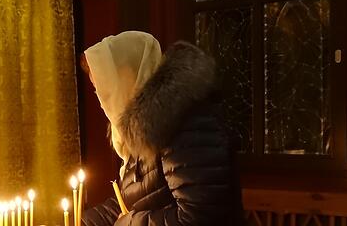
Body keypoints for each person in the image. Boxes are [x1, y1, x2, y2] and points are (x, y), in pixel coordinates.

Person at [81, 31, 242, 225]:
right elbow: (130, 202)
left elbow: (198, 218)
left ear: (128, 75)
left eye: (105, 88)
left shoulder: (183, 123)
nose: (101, 100)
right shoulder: (141, 128)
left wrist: (131, 223)